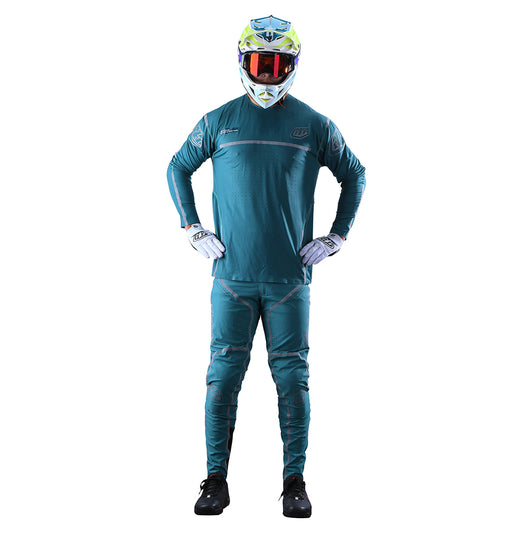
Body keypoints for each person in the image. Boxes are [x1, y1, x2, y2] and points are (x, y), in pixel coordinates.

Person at [167, 15, 366, 518]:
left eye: (277, 65)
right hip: (231, 278)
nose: (268, 75)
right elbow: (178, 166)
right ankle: (215, 480)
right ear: (242, 62)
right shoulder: (218, 121)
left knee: (293, 383)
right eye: (259, 64)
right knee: (221, 380)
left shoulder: (314, 125)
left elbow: (355, 173)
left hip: (288, 281)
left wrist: (337, 237)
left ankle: (294, 483)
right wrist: (192, 227)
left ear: (292, 66)